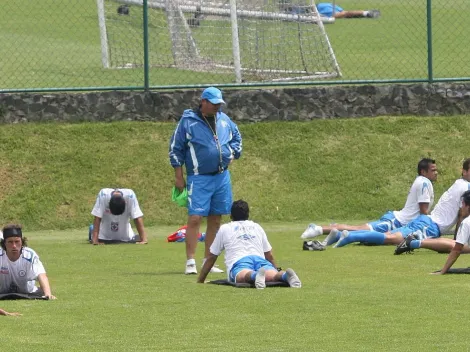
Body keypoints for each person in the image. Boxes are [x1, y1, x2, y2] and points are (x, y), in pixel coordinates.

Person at [169, 87, 243, 275]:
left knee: (216, 218)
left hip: (221, 176)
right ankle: (190, 261)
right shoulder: (188, 121)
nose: (217, 107)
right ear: (203, 101)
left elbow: (237, 138)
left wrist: (232, 153)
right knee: (195, 218)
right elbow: (175, 148)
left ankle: (208, 261)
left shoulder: (224, 120)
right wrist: (179, 176)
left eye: (219, 103)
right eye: (214, 103)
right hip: (198, 177)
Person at [335, 158, 470, 249]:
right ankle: (350, 236)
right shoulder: (466, 188)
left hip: (426, 220)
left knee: (390, 236)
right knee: (392, 238)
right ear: (464, 171)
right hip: (431, 226)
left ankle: (344, 235)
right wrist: (458, 241)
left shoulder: (458, 184)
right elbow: (462, 216)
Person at [302, 158, 438, 248]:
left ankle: (335, 234)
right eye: (433, 170)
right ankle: (318, 228)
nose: (436, 173)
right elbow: (423, 212)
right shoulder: (424, 183)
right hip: (397, 221)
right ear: (423, 171)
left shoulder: (420, 181)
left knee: (368, 237)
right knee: (357, 228)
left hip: (398, 220)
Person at [197, 200, 301, 289]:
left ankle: (255, 275)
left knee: (242, 275)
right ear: (248, 214)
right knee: (272, 275)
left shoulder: (225, 228)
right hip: (260, 260)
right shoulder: (256, 226)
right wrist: (275, 269)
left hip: (239, 261)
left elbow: (212, 256)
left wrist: (201, 280)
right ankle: (284, 275)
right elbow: (269, 254)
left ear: (231, 215)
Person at [0, 224, 56, 300]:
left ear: (22, 242)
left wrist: (48, 294)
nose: (14, 245)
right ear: (4, 243)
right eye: (10, 242)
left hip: (27, 292)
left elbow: (41, 275)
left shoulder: (29, 255)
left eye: (17, 241)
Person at [432, 190, 470, 274]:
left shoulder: (467, 222)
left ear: (467, 206)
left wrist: (443, 271)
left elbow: (457, 249)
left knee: (448, 271)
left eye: (462, 204)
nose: (461, 207)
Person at [316, 3, 380, 19]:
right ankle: (366, 13)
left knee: (343, 14)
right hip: (325, 5)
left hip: (321, 8)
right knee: (344, 14)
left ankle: (366, 13)